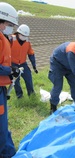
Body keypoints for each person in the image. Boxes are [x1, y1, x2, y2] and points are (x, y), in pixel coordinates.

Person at [0, 2, 20, 157]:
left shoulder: (3, 37)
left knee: (3, 124)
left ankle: (9, 153)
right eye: (9, 24)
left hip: (1, 87)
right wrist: (9, 70)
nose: (10, 28)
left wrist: (10, 71)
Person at [10, 24, 38, 98]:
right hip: (13, 64)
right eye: (22, 35)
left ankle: (31, 94)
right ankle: (19, 96)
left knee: (28, 77)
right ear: (18, 33)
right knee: (16, 80)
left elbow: (31, 53)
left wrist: (34, 65)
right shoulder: (11, 40)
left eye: (25, 36)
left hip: (23, 64)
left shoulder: (27, 42)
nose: (24, 37)